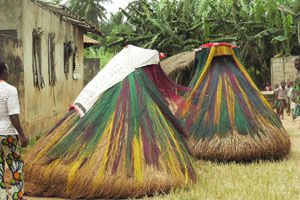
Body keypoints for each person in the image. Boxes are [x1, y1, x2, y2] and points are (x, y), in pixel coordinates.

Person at [0, 61, 28, 200]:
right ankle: (17, 196)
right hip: (8, 134)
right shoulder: (10, 90)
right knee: (16, 166)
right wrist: (22, 135)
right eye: (7, 70)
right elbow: (13, 115)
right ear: (4, 71)